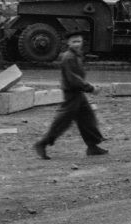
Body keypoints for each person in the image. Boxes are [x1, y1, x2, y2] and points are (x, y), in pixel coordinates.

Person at [33, 31, 107, 159]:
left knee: (87, 118)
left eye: (79, 41)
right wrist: (91, 88)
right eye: (74, 42)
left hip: (77, 92)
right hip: (72, 93)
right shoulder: (68, 57)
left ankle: (92, 146)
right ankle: (42, 143)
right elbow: (73, 79)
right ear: (68, 43)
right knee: (63, 121)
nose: (77, 44)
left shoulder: (76, 55)